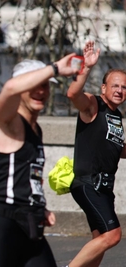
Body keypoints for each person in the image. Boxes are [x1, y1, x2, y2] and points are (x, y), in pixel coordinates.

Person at [0, 56, 79, 267]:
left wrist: (40, 206)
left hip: (29, 225)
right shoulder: (7, 122)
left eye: (45, 87)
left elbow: (27, 175)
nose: (41, 92)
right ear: (23, 87)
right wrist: (55, 68)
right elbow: (10, 87)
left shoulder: (36, 129)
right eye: (34, 86)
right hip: (0, 225)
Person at [66, 41, 126, 267]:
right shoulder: (94, 105)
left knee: (99, 241)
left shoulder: (116, 115)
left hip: (104, 188)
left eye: (124, 88)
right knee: (113, 235)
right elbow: (73, 93)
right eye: (115, 86)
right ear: (104, 88)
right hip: (89, 183)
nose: (120, 91)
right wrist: (87, 66)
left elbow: (117, 150)